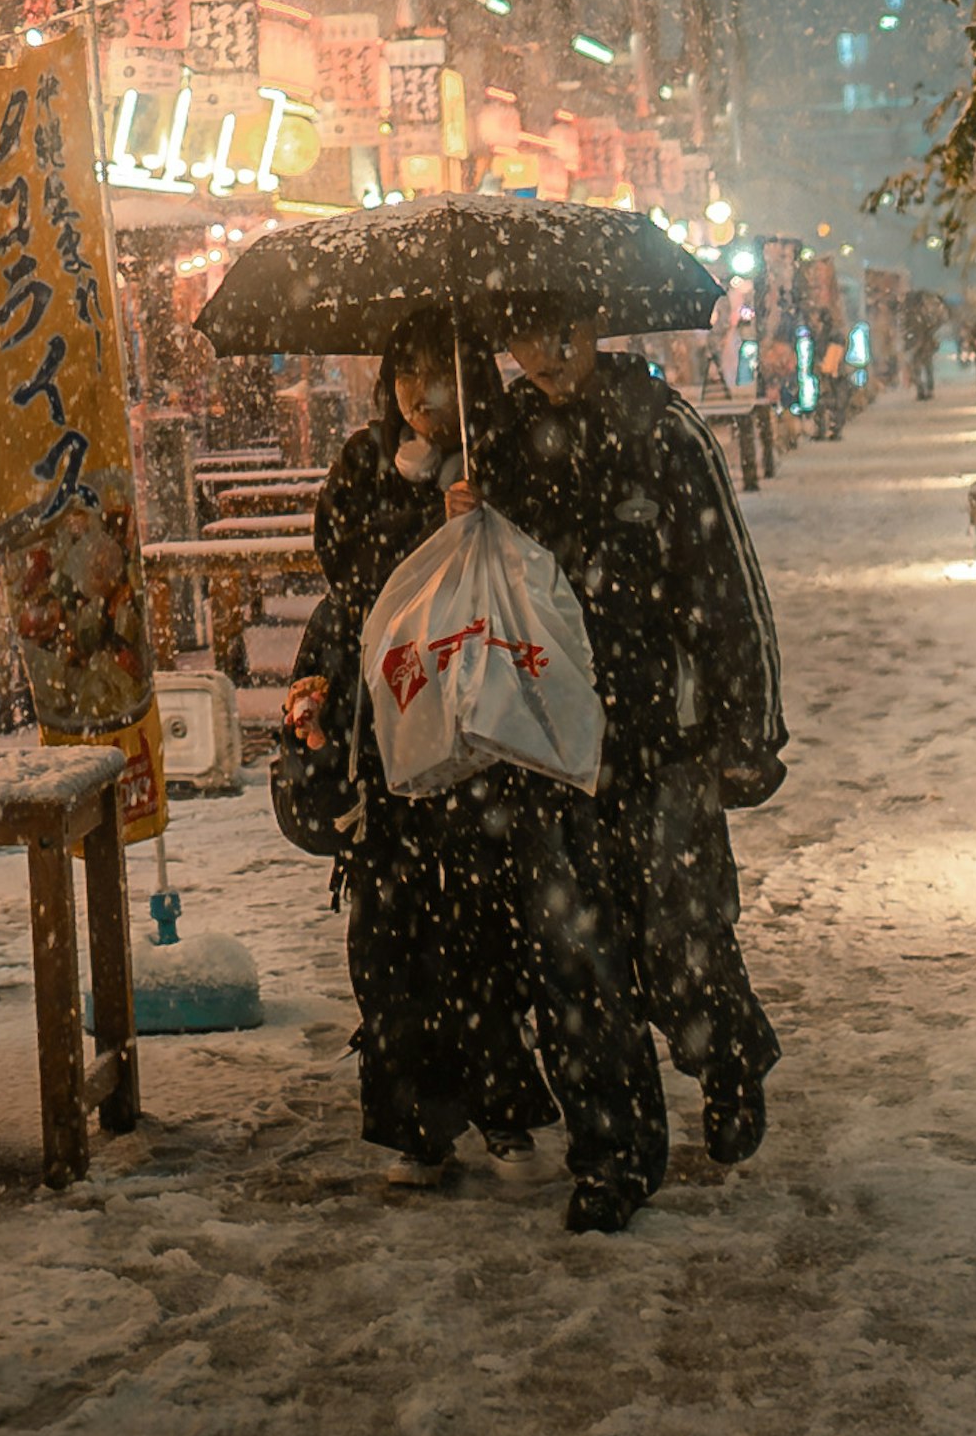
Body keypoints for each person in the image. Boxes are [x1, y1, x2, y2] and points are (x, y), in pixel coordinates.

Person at [285, 324, 670, 1235]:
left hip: (512, 747)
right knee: (402, 942)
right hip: (404, 741)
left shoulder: (524, 452)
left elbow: (570, 581)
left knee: (553, 944)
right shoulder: (366, 466)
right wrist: (424, 541)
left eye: (438, 377)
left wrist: (489, 521)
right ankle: (423, 1120)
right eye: (406, 378)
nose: (423, 397)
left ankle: (603, 1143)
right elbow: (351, 584)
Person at [488, 321, 786, 1167]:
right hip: (547, 740)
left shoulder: (662, 424)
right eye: (528, 334)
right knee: (575, 958)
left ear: (594, 323)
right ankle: (612, 1155)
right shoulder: (498, 440)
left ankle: (727, 1061)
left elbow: (725, 575)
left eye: (562, 330)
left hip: (660, 738)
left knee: (679, 937)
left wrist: (750, 722)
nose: (546, 352)